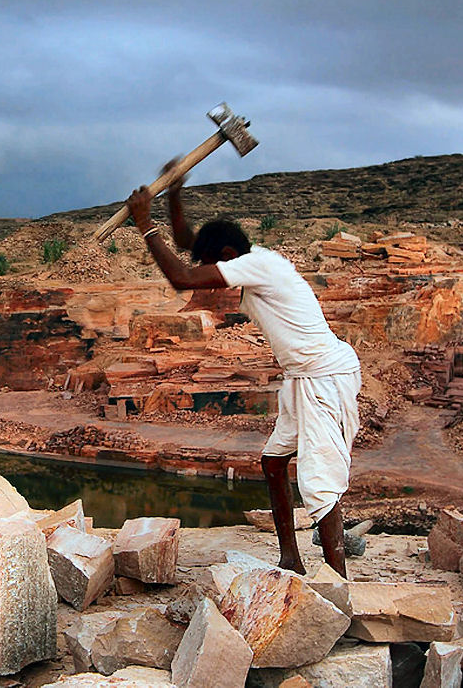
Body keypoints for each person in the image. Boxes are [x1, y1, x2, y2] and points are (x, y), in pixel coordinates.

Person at [126, 164, 361, 576]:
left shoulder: (257, 266)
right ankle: (291, 557)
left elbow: (182, 276)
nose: (210, 279)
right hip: (302, 378)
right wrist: (175, 195)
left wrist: (146, 226)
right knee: (274, 463)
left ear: (229, 258)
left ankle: (339, 585)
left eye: (213, 268)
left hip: (324, 377)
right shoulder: (256, 261)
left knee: (319, 484)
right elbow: (188, 245)